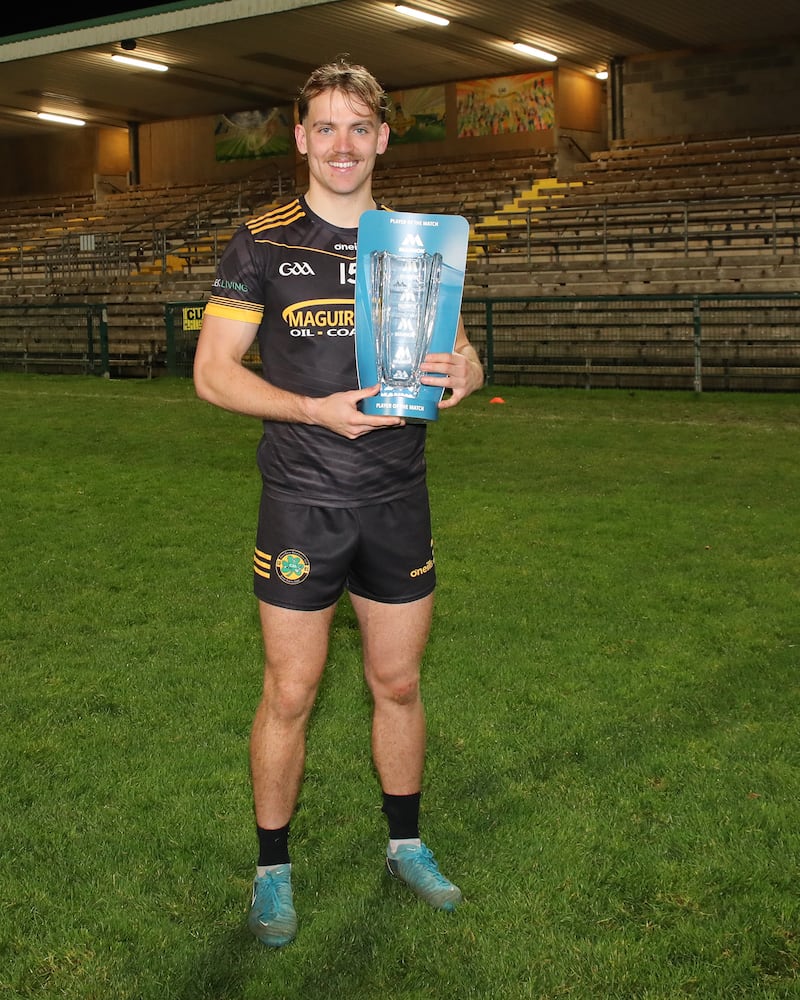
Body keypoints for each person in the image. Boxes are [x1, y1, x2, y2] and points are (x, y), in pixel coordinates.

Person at [193, 57, 484, 948]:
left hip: (399, 498)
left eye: (359, 126)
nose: (343, 143)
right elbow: (213, 376)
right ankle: (272, 870)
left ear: (383, 137)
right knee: (292, 689)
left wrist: (470, 370)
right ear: (301, 139)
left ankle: (406, 846)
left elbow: (460, 353)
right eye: (325, 126)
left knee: (396, 682)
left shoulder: (417, 242)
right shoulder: (261, 241)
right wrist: (310, 409)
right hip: (303, 503)